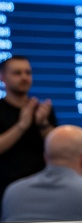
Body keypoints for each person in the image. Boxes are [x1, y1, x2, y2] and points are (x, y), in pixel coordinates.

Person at [0, 54, 55, 205]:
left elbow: (58, 148)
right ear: (2, 77)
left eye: (28, 73)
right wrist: (22, 125)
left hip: (41, 187)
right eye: (17, 73)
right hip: (5, 187)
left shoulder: (42, 110)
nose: (24, 77)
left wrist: (43, 124)